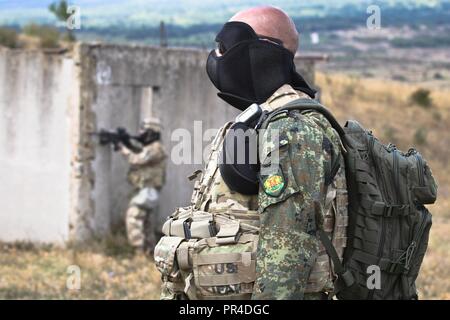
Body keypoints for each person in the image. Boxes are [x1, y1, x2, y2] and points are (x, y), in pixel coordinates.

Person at [154, 6, 347, 300]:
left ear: (263, 52)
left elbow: (287, 252)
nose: (216, 57)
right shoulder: (260, 120)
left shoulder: (292, 130)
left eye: (225, 47)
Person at [120, 117, 167, 254]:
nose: (141, 133)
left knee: (133, 217)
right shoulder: (151, 147)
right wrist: (127, 142)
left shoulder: (156, 148)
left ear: (152, 133)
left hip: (148, 190)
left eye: (144, 131)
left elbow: (137, 159)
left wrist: (123, 148)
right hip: (147, 190)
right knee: (146, 223)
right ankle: (149, 251)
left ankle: (139, 251)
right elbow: (139, 152)